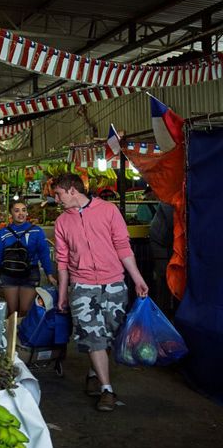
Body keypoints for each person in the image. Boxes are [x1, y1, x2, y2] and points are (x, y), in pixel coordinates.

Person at [52, 173, 149, 412]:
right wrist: (63, 293)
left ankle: (94, 372)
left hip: (114, 283)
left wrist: (137, 279)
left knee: (108, 334)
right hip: (83, 286)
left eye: (58, 194)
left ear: (72, 191)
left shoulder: (108, 211)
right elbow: (62, 262)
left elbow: (123, 247)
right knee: (93, 336)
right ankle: (107, 390)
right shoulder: (62, 222)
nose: (56, 200)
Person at [0, 201, 56, 317]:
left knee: (25, 310)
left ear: (27, 213)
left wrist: (49, 274)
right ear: (11, 213)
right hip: (8, 274)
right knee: (12, 311)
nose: (20, 213)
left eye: (23, 210)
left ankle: (21, 334)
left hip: (30, 274)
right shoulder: (3, 232)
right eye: (16, 211)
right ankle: (12, 334)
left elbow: (44, 254)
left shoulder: (37, 231)